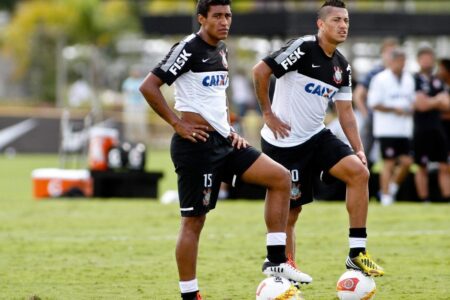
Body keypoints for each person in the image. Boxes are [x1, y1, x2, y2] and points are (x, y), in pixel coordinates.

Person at [139, 1, 311, 299]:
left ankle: (276, 260)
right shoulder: (188, 48)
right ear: (201, 19)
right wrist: (177, 124)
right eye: (217, 16)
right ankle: (190, 294)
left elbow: (215, 96)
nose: (224, 22)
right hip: (196, 147)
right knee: (194, 222)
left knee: (281, 178)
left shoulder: (222, 50)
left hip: (226, 142)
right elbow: (149, 86)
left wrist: (231, 131)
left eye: (228, 16)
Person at [252, 0, 384, 278]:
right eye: (336, 20)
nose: (343, 25)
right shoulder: (302, 48)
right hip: (283, 142)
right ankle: (283, 269)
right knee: (292, 212)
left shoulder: (342, 66)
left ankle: (356, 253)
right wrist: (267, 113)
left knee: (359, 172)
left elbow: (345, 112)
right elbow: (260, 71)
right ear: (320, 24)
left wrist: (358, 149)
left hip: (316, 136)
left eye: (346, 20)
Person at [368, 48, 415, 206]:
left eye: (404, 61)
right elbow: (374, 103)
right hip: (386, 129)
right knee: (388, 162)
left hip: (404, 129)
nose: (402, 64)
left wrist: (411, 108)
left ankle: (391, 187)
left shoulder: (409, 79)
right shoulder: (380, 79)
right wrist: (395, 109)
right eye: (399, 61)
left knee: (407, 162)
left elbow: (411, 100)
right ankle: (386, 197)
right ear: (392, 61)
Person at [353, 38, 399, 165]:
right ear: (382, 54)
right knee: (362, 155)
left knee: (394, 158)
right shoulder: (375, 72)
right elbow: (358, 95)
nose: (391, 56)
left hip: (394, 122)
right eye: (388, 52)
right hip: (374, 120)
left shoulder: (402, 75)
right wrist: (366, 115)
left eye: (394, 53)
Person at [413, 47, 450, 203]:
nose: (427, 62)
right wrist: (437, 100)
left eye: (430, 58)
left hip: (438, 127)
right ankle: (424, 199)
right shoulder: (413, 79)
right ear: (418, 60)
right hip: (420, 128)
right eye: (424, 58)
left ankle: (446, 198)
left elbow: (447, 105)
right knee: (422, 166)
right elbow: (419, 105)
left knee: (444, 165)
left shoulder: (438, 80)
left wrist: (430, 102)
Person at [122, 66, 149, 143]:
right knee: (130, 124)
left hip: (140, 106)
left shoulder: (142, 81)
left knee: (141, 125)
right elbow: (125, 95)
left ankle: (142, 141)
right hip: (130, 106)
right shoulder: (127, 82)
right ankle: (130, 141)